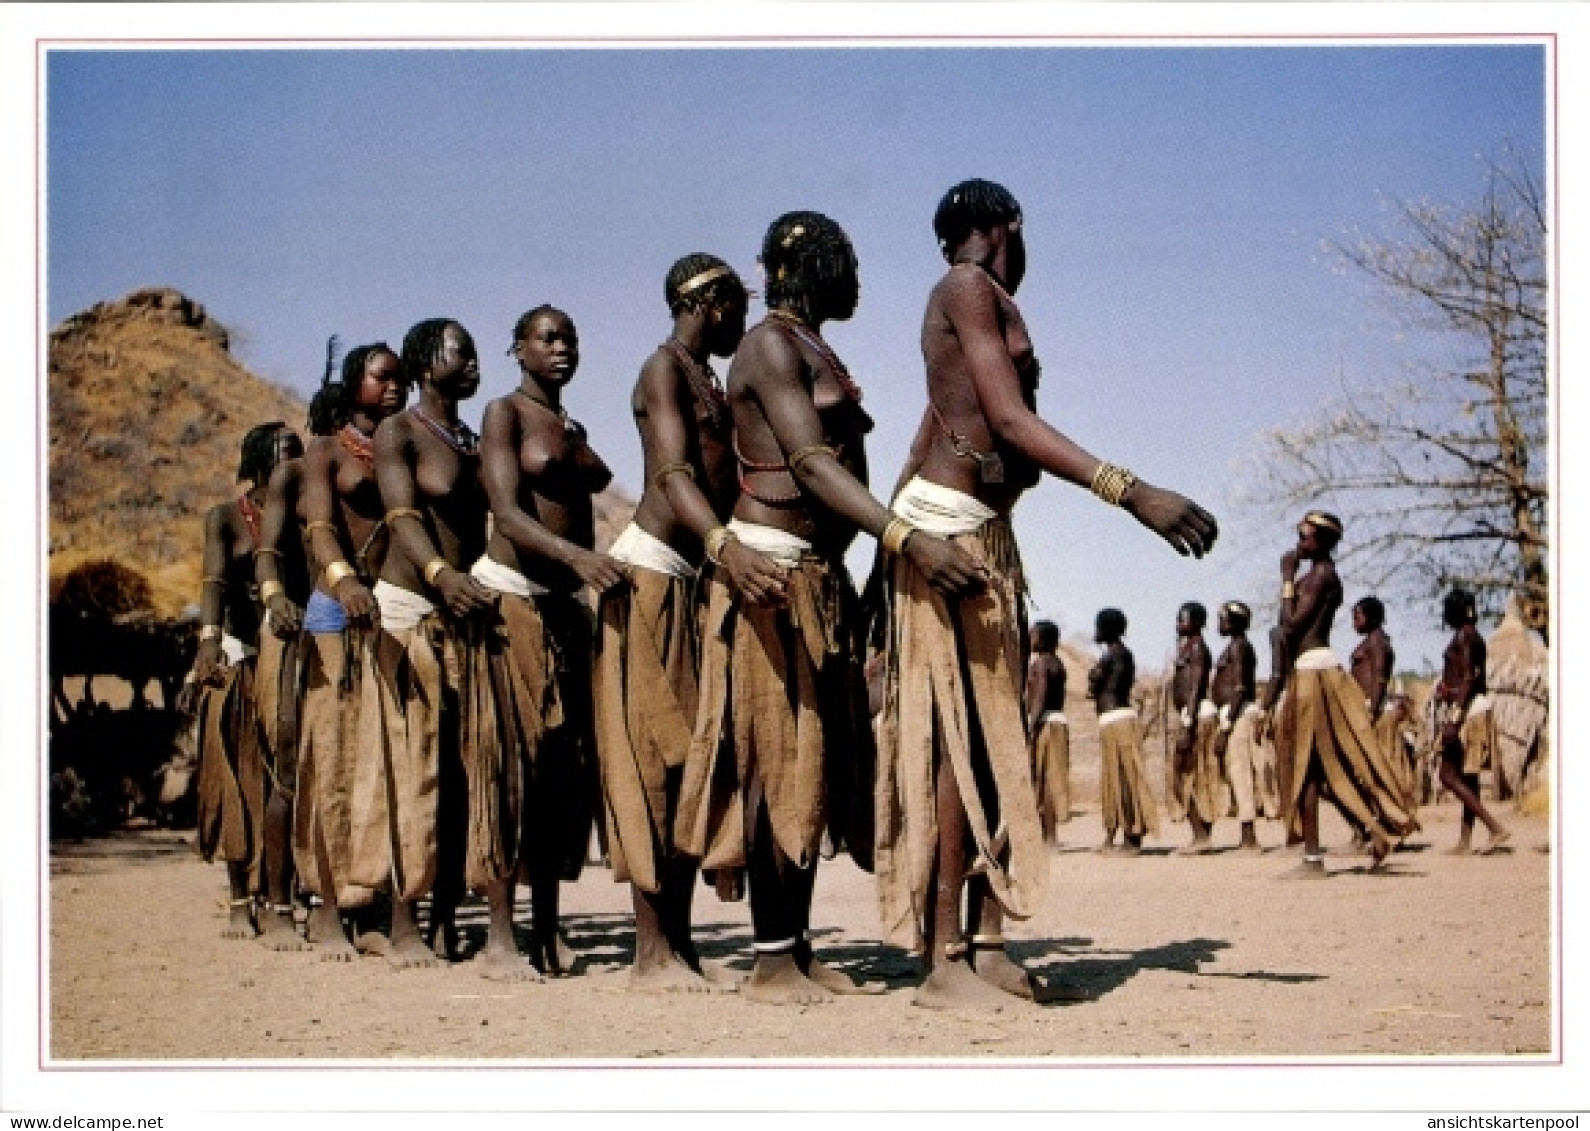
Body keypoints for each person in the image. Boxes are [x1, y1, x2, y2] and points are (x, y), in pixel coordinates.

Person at [874, 179, 1217, 1010]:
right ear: (1008, 225)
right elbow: (1008, 418)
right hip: (953, 537)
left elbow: (933, 429)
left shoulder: (977, 299)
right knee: (962, 746)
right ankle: (945, 959)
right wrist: (1131, 491)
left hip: (979, 535)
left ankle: (988, 945)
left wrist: (888, 542)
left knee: (996, 740)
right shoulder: (968, 287)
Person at [677, 210, 981, 1006]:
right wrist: (906, 539)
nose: (857, 279)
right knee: (774, 759)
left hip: (819, 577)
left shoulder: (811, 347)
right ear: (809, 264)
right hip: (770, 578)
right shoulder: (768, 347)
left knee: (812, 761)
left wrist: (874, 561)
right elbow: (811, 463)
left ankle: (799, 948)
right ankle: (771, 958)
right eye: (845, 261)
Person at [593, 255, 787, 992]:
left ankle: (678, 941)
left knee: (693, 764)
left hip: (695, 580)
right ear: (710, 304)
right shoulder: (662, 370)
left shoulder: (706, 376)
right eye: (739, 306)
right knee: (650, 762)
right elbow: (673, 475)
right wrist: (724, 545)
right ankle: (651, 951)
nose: (745, 321)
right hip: (650, 577)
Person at [468, 305, 620, 980]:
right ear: (519, 349)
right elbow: (505, 513)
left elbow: (596, 478)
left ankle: (548, 932)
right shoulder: (503, 414)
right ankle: (501, 938)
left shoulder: (568, 426)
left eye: (571, 338)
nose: (563, 348)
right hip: (513, 604)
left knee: (560, 773)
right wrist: (578, 558)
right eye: (548, 338)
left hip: (565, 611)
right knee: (511, 766)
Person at [364, 318, 495, 967]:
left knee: (459, 771)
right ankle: (401, 920)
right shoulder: (399, 432)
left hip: (463, 613)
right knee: (410, 768)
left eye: (474, 352)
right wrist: (441, 574)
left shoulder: (473, 442)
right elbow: (402, 518)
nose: (472, 361)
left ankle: (445, 915)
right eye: (459, 351)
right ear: (424, 362)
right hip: (410, 609)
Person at [294, 340, 407, 959]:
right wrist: (345, 582)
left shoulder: (401, 444)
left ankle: (375, 904)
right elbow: (318, 526)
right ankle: (328, 908)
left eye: (400, 378)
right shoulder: (325, 451)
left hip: (391, 612)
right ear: (354, 382)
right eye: (381, 376)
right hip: (336, 612)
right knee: (333, 763)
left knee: (383, 761)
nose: (394, 386)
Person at [1255, 511, 1418, 877]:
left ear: (1324, 540)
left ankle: (1318, 856)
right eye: (1298, 534)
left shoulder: (1322, 576)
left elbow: (1290, 626)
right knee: (1315, 768)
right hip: (1306, 672)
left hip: (1316, 674)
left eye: (1305, 535)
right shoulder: (1314, 576)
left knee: (1311, 766)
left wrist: (1286, 579)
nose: (1299, 542)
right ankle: (1370, 834)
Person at [190, 422, 303, 938]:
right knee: (238, 777)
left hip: (288, 654)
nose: (292, 463)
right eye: (283, 454)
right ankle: (240, 898)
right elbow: (213, 584)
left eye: (297, 454)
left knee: (285, 779)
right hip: (240, 654)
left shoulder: (301, 515)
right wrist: (209, 642)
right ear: (258, 461)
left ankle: (285, 891)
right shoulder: (225, 518)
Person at [249, 368, 343, 951]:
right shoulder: (295, 476)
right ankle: (279, 904)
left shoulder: (361, 471)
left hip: (347, 625)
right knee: (289, 766)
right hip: (291, 627)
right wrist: (275, 599)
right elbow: (267, 555)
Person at [1433, 588, 1511, 855]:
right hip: (1470, 708)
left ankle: (1495, 828)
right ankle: (1465, 842)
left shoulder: (1465, 636)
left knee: (1447, 775)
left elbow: (1468, 678)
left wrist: (1454, 718)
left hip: (1468, 712)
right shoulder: (1469, 635)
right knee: (1468, 778)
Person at [1087, 608, 1160, 855]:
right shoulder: (1116, 654)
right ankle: (1113, 835)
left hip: (1118, 721)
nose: (1096, 631)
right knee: (1112, 780)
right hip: (1111, 722)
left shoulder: (1115, 655)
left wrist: (1094, 677)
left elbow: (1097, 684)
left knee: (1126, 780)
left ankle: (1132, 838)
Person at [1211, 600, 1273, 852]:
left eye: (1224, 618)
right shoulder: (1234, 646)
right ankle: (1246, 834)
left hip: (1237, 716)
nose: (1220, 623)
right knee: (1236, 774)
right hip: (1232, 714)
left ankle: (1249, 838)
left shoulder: (1239, 647)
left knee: (1242, 773)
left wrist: (1226, 726)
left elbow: (1239, 687)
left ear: (1235, 621)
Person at [1349, 596, 1416, 817]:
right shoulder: (1373, 641)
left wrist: (1372, 710)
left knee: (1386, 766)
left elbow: (1379, 678)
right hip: (1369, 709)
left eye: (1357, 616)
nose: (1354, 622)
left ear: (1371, 616)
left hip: (1377, 711)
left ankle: (1397, 816)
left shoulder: (1377, 642)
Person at [1168, 601, 1223, 853]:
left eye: (1184, 619)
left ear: (1198, 622)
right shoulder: (1186, 647)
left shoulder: (1198, 648)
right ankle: (1201, 834)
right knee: (1188, 775)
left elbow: (1196, 686)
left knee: (1188, 774)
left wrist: (1188, 724)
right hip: (1191, 716)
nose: (1179, 623)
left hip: (1197, 717)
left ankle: (1202, 835)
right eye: (1178, 619)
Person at [1025, 620, 1070, 845]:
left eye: (1033, 635)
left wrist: (1031, 725)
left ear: (1043, 639)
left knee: (1047, 780)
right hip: (1054, 722)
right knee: (1046, 780)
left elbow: (1041, 695)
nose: (1030, 638)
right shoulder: (1056, 662)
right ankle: (1047, 835)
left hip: (1046, 724)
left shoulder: (1042, 663)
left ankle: (1050, 836)